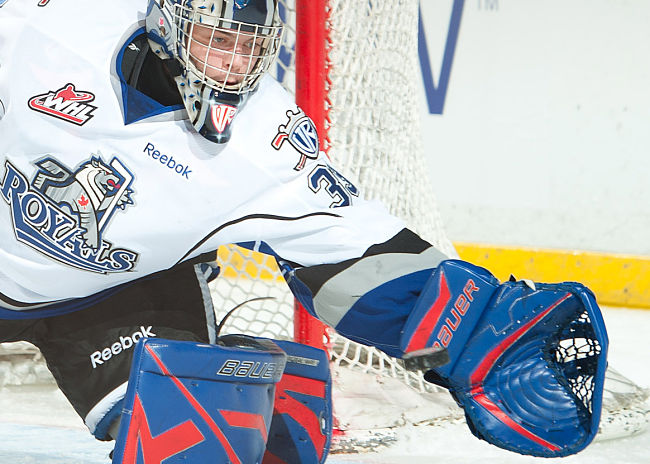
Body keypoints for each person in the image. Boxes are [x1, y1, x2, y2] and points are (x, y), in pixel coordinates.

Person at [0, 1, 609, 462]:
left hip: (115, 294)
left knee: (203, 432)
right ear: (168, 23)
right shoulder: (49, 26)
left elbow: (357, 252)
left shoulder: (266, 140)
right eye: (218, 41)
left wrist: (483, 326)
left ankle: (238, 379)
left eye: (249, 47)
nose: (234, 65)